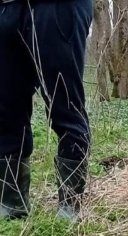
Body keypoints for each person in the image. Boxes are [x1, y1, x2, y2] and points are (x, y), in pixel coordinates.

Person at [0, 0, 92, 221]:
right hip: (6, 9)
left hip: (56, 7)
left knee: (66, 107)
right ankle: (11, 203)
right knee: (5, 111)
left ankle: (70, 206)